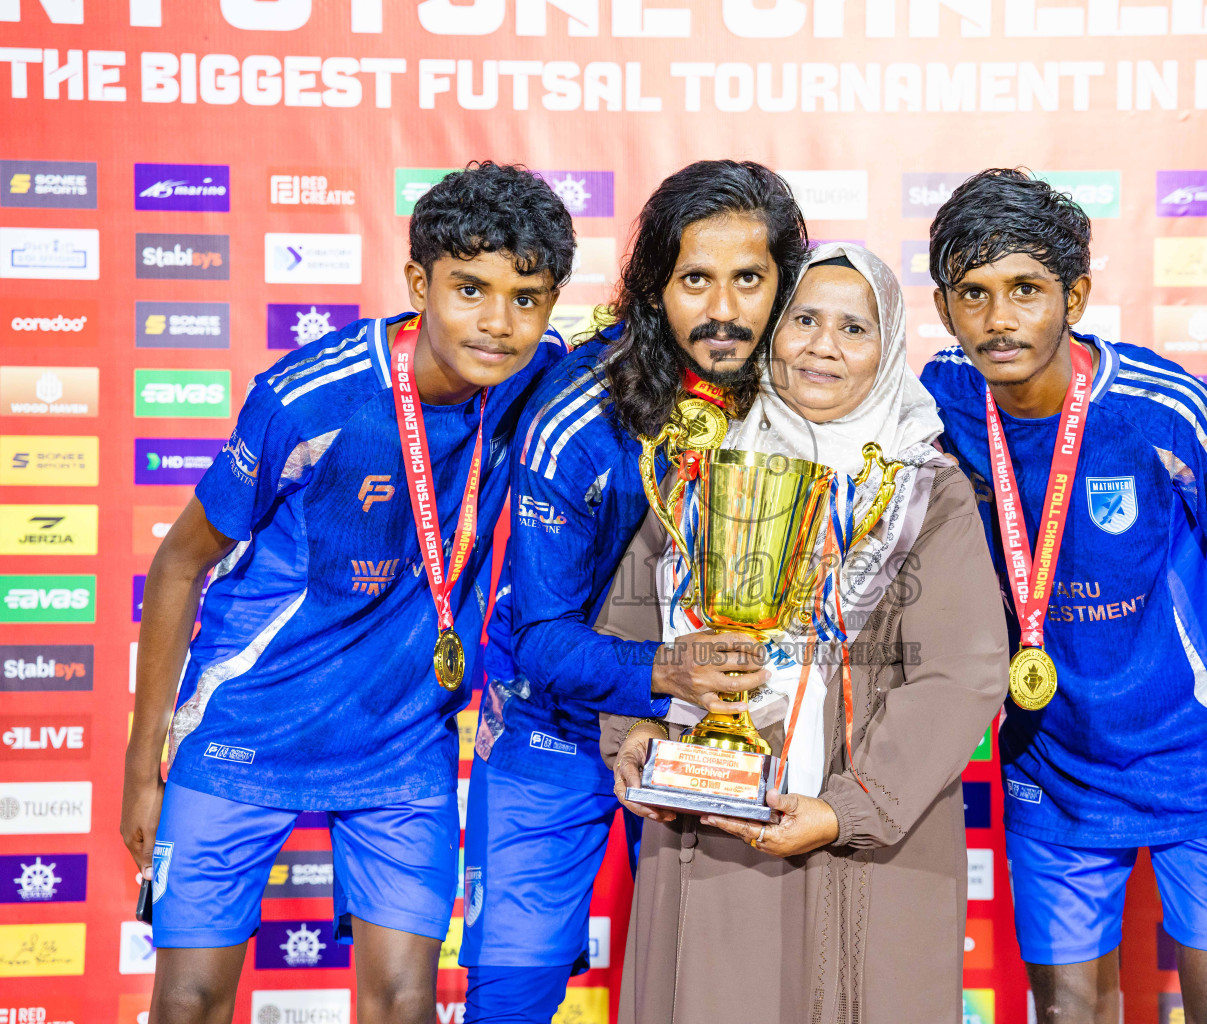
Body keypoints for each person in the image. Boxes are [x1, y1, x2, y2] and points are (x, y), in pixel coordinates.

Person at [119, 162, 573, 1024]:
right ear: (417, 283)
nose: (497, 323)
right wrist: (145, 764)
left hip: (402, 741)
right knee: (187, 1002)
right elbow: (179, 564)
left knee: (403, 1003)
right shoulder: (307, 398)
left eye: (527, 297)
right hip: (249, 724)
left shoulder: (536, 378)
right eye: (469, 289)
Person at [919, 169, 1207, 1023]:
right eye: (973, 294)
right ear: (945, 307)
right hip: (1051, 767)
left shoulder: (1169, 412)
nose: (999, 319)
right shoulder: (937, 403)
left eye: (1025, 290)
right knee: (1067, 1015)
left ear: (1075, 295)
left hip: (1200, 764)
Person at [601, 244, 1010, 1024]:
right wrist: (631, 736)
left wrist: (848, 809)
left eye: (854, 329)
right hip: (706, 821)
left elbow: (960, 673)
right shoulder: (700, 466)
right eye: (804, 320)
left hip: (868, 838)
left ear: (886, 352)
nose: (823, 345)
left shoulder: (925, 489)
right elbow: (629, 626)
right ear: (770, 333)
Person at [461, 160, 807, 1022]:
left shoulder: (810, 399)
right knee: (516, 985)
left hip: (725, 731)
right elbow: (540, 637)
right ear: (653, 288)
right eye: (695, 280)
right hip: (555, 731)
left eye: (749, 280)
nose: (723, 311)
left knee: (723, 988)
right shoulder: (578, 413)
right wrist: (667, 669)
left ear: (784, 285)